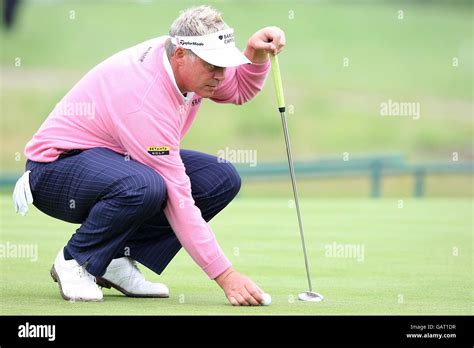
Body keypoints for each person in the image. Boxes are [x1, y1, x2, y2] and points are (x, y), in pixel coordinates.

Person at [12, 5, 285, 306]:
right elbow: (178, 199)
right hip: (55, 170)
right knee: (147, 185)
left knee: (220, 178)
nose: (221, 75)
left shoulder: (186, 62)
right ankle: (78, 260)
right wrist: (226, 275)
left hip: (113, 161)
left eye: (224, 65)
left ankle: (116, 257)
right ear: (182, 55)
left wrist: (254, 54)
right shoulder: (144, 97)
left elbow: (238, 91)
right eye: (213, 66)